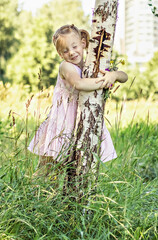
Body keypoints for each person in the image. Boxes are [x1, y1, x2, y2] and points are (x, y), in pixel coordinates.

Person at [28, 24, 128, 179]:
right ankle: (32, 195)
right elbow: (79, 84)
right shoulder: (66, 66)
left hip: (82, 121)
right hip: (62, 124)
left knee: (75, 169)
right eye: (65, 50)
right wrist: (104, 81)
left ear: (83, 43)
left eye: (74, 46)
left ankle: (60, 200)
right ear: (60, 54)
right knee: (48, 170)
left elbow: (125, 76)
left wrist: (113, 75)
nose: (71, 52)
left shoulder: (92, 63)